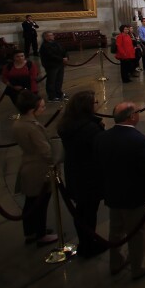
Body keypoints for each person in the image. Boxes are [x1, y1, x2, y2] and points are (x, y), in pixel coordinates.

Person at [97, 102, 145, 279]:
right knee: (137, 232)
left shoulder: (102, 138)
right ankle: (139, 266)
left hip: (112, 192)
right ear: (131, 117)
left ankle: (115, 261)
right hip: (135, 196)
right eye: (138, 112)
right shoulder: (140, 141)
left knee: (115, 229)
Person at [57, 91, 105, 257]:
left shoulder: (68, 124)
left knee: (82, 210)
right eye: (95, 102)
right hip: (89, 175)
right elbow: (99, 148)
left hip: (74, 172)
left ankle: (86, 241)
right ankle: (88, 245)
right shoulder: (89, 128)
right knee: (89, 212)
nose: (98, 103)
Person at [13, 91, 58, 246]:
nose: (43, 109)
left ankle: (30, 232)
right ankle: (40, 233)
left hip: (28, 164)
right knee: (40, 203)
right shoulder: (32, 127)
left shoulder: (19, 123)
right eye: (42, 107)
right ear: (32, 109)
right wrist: (55, 160)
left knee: (31, 202)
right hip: (38, 168)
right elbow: (45, 150)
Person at [39, 31, 68, 102]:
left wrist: (66, 57)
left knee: (59, 80)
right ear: (45, 37)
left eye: (52, 35)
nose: (51, 36)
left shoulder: (56, 43)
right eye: (49, 35)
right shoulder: (44, 46)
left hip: (60, 64)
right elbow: (50, 55)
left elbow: (64, 50)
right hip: (51, 65)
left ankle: (58, 93)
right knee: (51, 81)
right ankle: (51, 96)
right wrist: (62, 59)